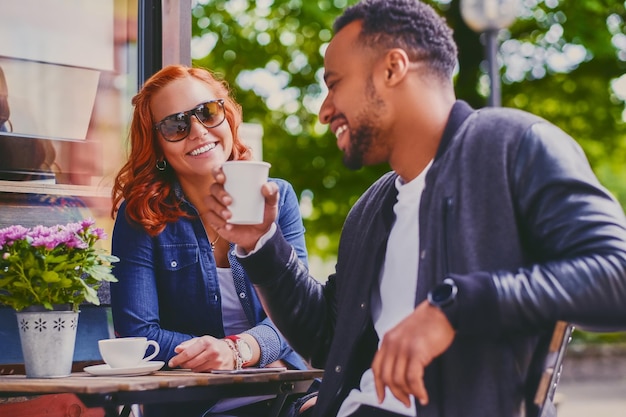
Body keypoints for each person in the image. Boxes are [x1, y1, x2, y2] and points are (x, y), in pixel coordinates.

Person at [203, 1, 626, 416]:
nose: (324, 111)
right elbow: (331, 339)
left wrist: (454, 306)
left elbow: (616, 274)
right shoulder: (371, 207)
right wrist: (262, 243)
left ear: (393, 68)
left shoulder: (514, 146)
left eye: (333, 83)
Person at [109, 64, 309, 417]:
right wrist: (214, 354)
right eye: (175, 125)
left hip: (286, 395)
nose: (198, 131)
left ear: (228, 117)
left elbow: (298, 310)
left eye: (208, 112)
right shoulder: (139, 216)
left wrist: (240, 350)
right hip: (196, 405)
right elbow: (139, 333)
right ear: (156, 143)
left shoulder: (277, 199)